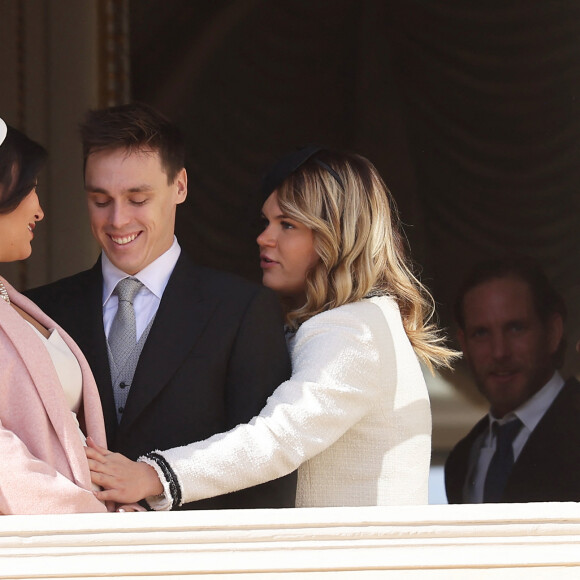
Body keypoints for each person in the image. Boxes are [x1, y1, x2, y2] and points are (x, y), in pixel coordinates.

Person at [86, 145, 458, 509]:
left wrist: (152, 477)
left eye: (288, 224)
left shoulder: (355, 330)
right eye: (266, 222)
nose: (264, 238)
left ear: (337, 234)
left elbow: (280, 437)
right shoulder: (348, 323)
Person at [26, 103, 296, 510]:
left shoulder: (242, 311)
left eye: (137, 199)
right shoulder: (41, 310)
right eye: (101, 200)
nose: (117, 220)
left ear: (180, 186)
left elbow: (266, 472)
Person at [0, 117, 108, 514]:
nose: (40, 210)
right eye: (30, 189)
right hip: (48, 546)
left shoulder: (11, 299)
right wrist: (95, 522)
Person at [445, 256, 580, 503]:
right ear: (463, 344)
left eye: (516, 328)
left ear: (553, 333)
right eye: (481, 333)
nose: (499, 352)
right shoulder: (461, 460)